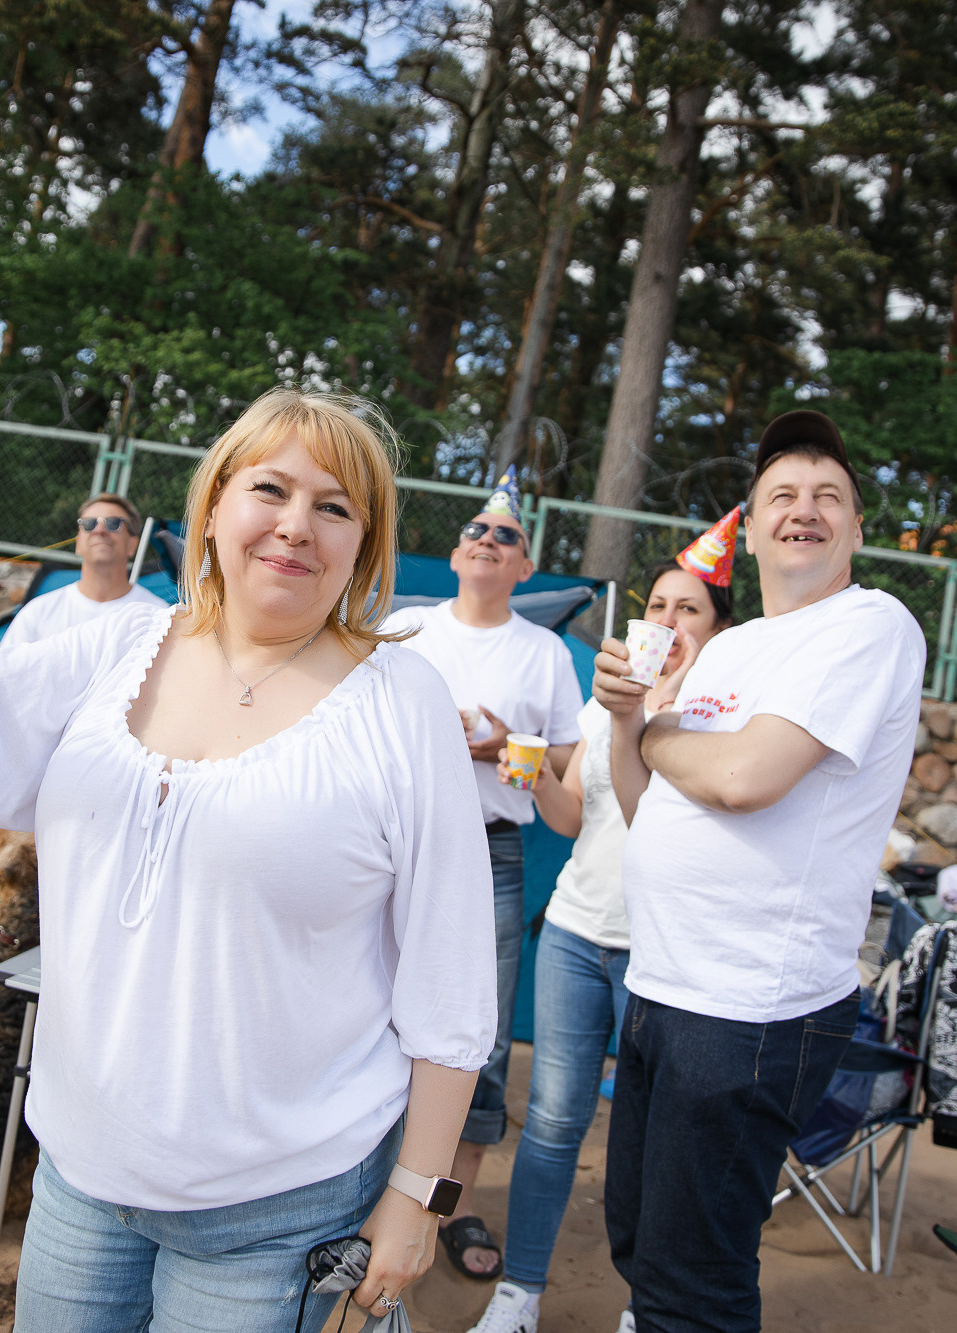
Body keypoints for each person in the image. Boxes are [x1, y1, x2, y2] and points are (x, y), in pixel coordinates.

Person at [0, 389, 496, 1329]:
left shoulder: (402, 700)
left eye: (335, 506)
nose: (295, 526)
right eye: (270, 489)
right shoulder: (116, 646)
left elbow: (452, 976)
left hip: (285, 1209)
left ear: (366, 542)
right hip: (80, 1175)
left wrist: (414, 1195)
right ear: (216, 502)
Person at [593, 412, 924, 1331]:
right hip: (665, 982)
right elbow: (642, 806)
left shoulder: (869, 625)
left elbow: (744, 777)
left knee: (693, 1280)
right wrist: (627, 722)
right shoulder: (730, 650)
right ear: (753, 523)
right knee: (640, 1242)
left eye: (829, 497)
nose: (805, 510)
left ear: (857, 528)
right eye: (784, 494)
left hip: (751, 1004)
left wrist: (658, 735)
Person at [467, 545, 737, 1333]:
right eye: (658, 606)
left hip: (664, 951)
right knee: (551, 1120)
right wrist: (528, 767)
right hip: (577, 935)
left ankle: (642, 1307)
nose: (668, 621)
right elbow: (571, 818)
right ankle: (518, 1294)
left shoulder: (719, 712)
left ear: (718, 629)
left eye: (689, 609)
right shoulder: (600, 704)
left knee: (653, 1138)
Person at [378, 469, 584, 1282]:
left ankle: (450, 1204)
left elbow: (569, 756)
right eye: (475, 531)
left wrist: (505, 749)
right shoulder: (409, 629)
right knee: (371, 1003)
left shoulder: (544, 653)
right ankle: (362, 1179)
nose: (485, 541)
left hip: (493, 846)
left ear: (525, 568)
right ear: (457, 552)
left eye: (505, 536)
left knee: (480, 1031)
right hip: (400, 839)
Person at [0, 490, 165, 646]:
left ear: (132, 544)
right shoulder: (37, 612)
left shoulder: (158, 615)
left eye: (113, 523)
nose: (99, 530)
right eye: (89, 523)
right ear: (78, 543)